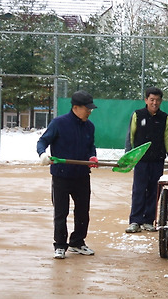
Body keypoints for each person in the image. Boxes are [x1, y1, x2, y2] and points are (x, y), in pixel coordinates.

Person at [37, 90, 98, 259]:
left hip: (82, 175)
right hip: (61, 175)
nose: (89, 112)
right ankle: (60, 245)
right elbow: (42, 141)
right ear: (76, 107)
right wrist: (43, 154)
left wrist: (92, 156)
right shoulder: (59, 123)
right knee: (61, 212)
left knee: (83, 211)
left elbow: (90, 146)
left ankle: (77, 242)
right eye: (87, 108)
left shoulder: (89, 126)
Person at [125, 86, 168, 233]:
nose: (155, 103)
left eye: (158, 100)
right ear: (146, 100)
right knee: (139, 190)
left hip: (157, 160)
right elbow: (130, 136)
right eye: (152, 100)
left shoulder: (165, 118)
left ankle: (148, 220)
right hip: (140, 160)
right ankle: (135, 220)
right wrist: (129, 155)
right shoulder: (137, 115)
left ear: (161, 101)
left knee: (154, 191)